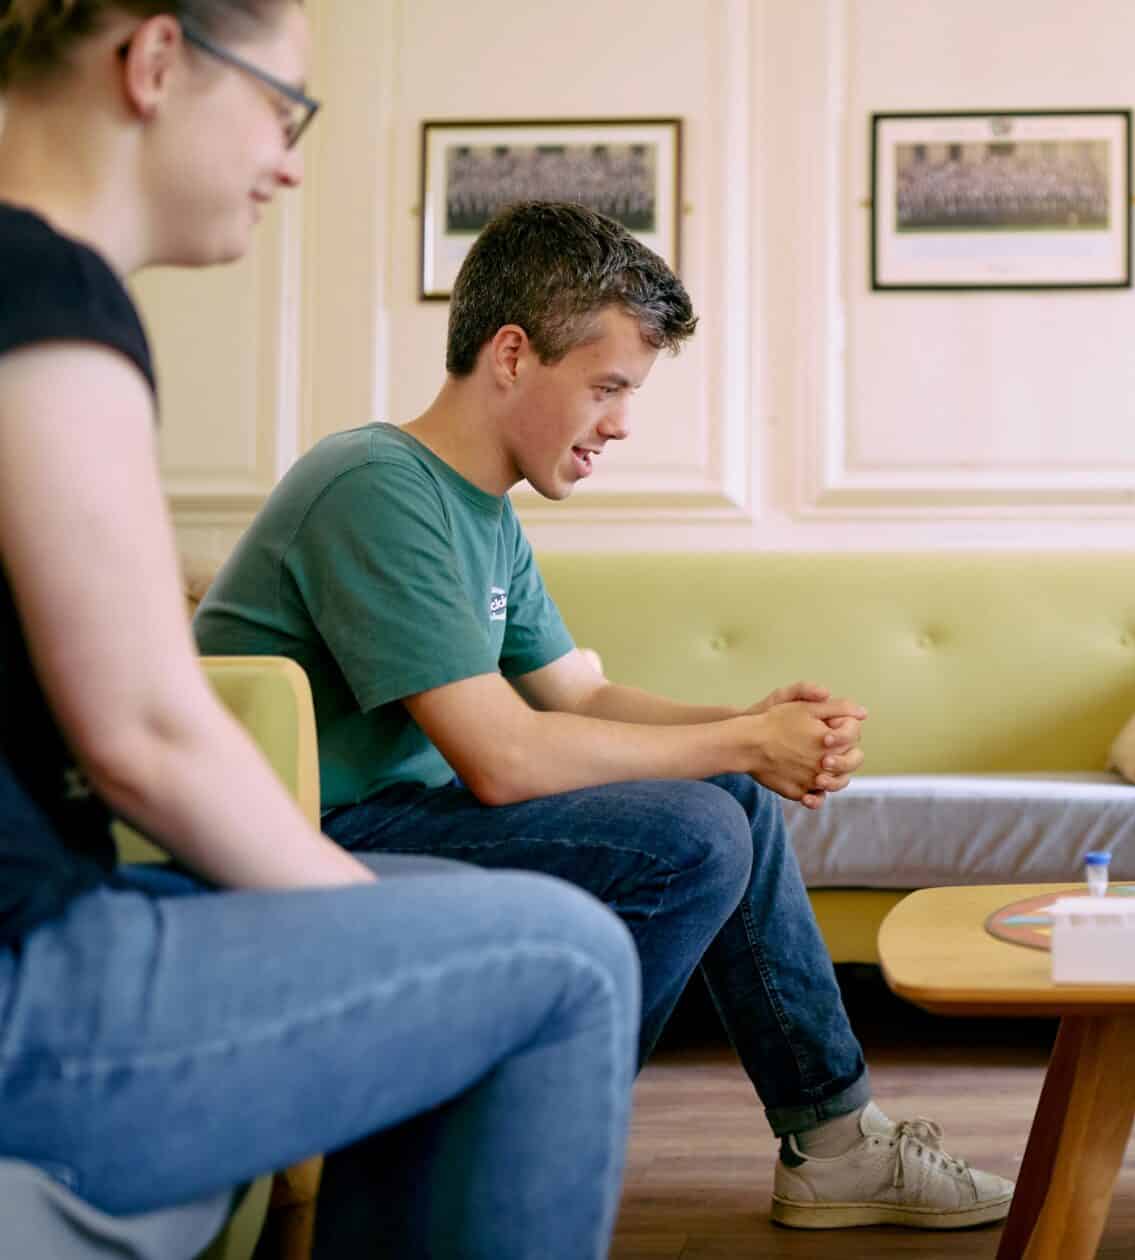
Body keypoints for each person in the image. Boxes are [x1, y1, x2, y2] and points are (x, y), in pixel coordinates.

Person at [193, 197, 1015, 1231]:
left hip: (386, 821)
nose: (622, 421)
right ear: (510, 354)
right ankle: (506, 1130)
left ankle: (835, 1142)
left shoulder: (479, 510)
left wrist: (750, 724)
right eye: (609, 386)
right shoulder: (374, 485)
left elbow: (575, 697)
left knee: (726, 795)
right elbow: (497, 757)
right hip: (293, 843)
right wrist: (738, 745)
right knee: (693, 831)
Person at [0, 4, 641, 1258]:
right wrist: (374, 937)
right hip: (35, 979)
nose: (290, 159)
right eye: (283, 108)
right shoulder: (45, 291)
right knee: (564, 957)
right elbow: (147, 735)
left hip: (59, 919)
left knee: (460, 915)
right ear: (157, 59)